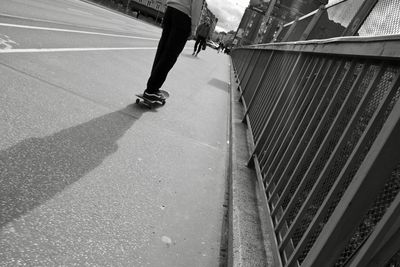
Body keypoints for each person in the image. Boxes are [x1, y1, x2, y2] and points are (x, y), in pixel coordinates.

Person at [142, 0, 202, 102]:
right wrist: (194, 28)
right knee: (170, 55)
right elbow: (196, 4)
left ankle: (152, 86)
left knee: (161, 51)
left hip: (170, 10)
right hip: (183, 17)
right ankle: (151, 90)